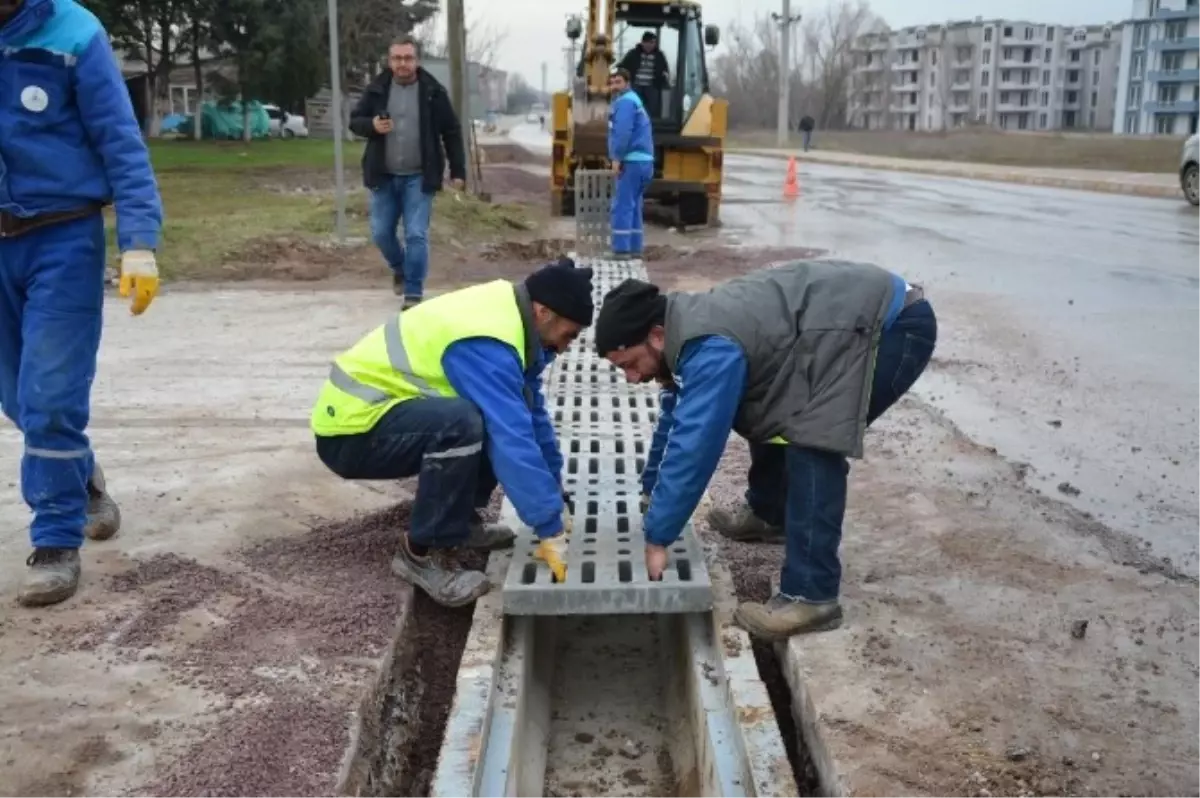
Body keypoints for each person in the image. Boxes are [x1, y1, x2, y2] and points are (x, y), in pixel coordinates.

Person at [593, 260, 937, 640]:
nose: (633, 377)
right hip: (833, 327)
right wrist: (650, 489)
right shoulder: (684, 332)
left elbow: (696, 444)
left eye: (629, 364)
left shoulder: (708, 345)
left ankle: (812, 596)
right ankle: (769, 513)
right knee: (769, 404)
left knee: (813, 437)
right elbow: (676, 416)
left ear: (656, 336)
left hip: (889, 327)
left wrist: (659, 535)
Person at [311, 259, 594, 607]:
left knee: (487, 415)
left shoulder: (513, 324)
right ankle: (421, 554)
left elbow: (530, 417)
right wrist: (549, 526)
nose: (566, 347)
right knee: (465, 422)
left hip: (387, 417)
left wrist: (555, 491)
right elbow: (511, 439)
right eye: (569, 335)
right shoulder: (487, 341)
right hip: (353, 431)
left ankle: (460, 526)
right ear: (543, 313)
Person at [0, 0, 163, 608]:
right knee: (17, 397)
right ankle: (83, 480)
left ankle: (54, 540)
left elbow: (120, 142)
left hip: (63, 240)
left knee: (50, 397)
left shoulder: (74, 32)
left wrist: (140, 242)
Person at [350, 35, 466, 308]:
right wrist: (372, 126)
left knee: (416, 234)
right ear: (390, 61)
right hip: (384, 175)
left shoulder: (433, 92)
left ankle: (413, 292)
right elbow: (354, 121)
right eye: (397, 58)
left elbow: (451, 132)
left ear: (417, 60)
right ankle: (400, 268)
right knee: (381, 233)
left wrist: (458, 171)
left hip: (419, 176)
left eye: (408, 58)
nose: (403, 63)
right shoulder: (377, 89)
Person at [608, 68, 655, 260]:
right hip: (645, 161)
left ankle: (621, 250)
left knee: (622, 205)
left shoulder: (625, 103)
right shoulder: (636, 101)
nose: (614, 86)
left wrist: (616, 158)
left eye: (618, 82)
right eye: (612, 82)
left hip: (632, 161)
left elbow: (622, 133)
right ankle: (635, 248)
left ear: (627, 83)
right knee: (634, 206)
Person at [618, 32, 670, 120]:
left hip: (652, 85)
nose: (650, 45)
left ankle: (649, 121)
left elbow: (665, 69)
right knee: (634, 104)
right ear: (643, 43)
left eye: (653, 43)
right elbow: (623, 66)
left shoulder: (659, 55)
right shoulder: (633, 53)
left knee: (652, 106)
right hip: (636, 84)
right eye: (648, 43)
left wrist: (664, 76)